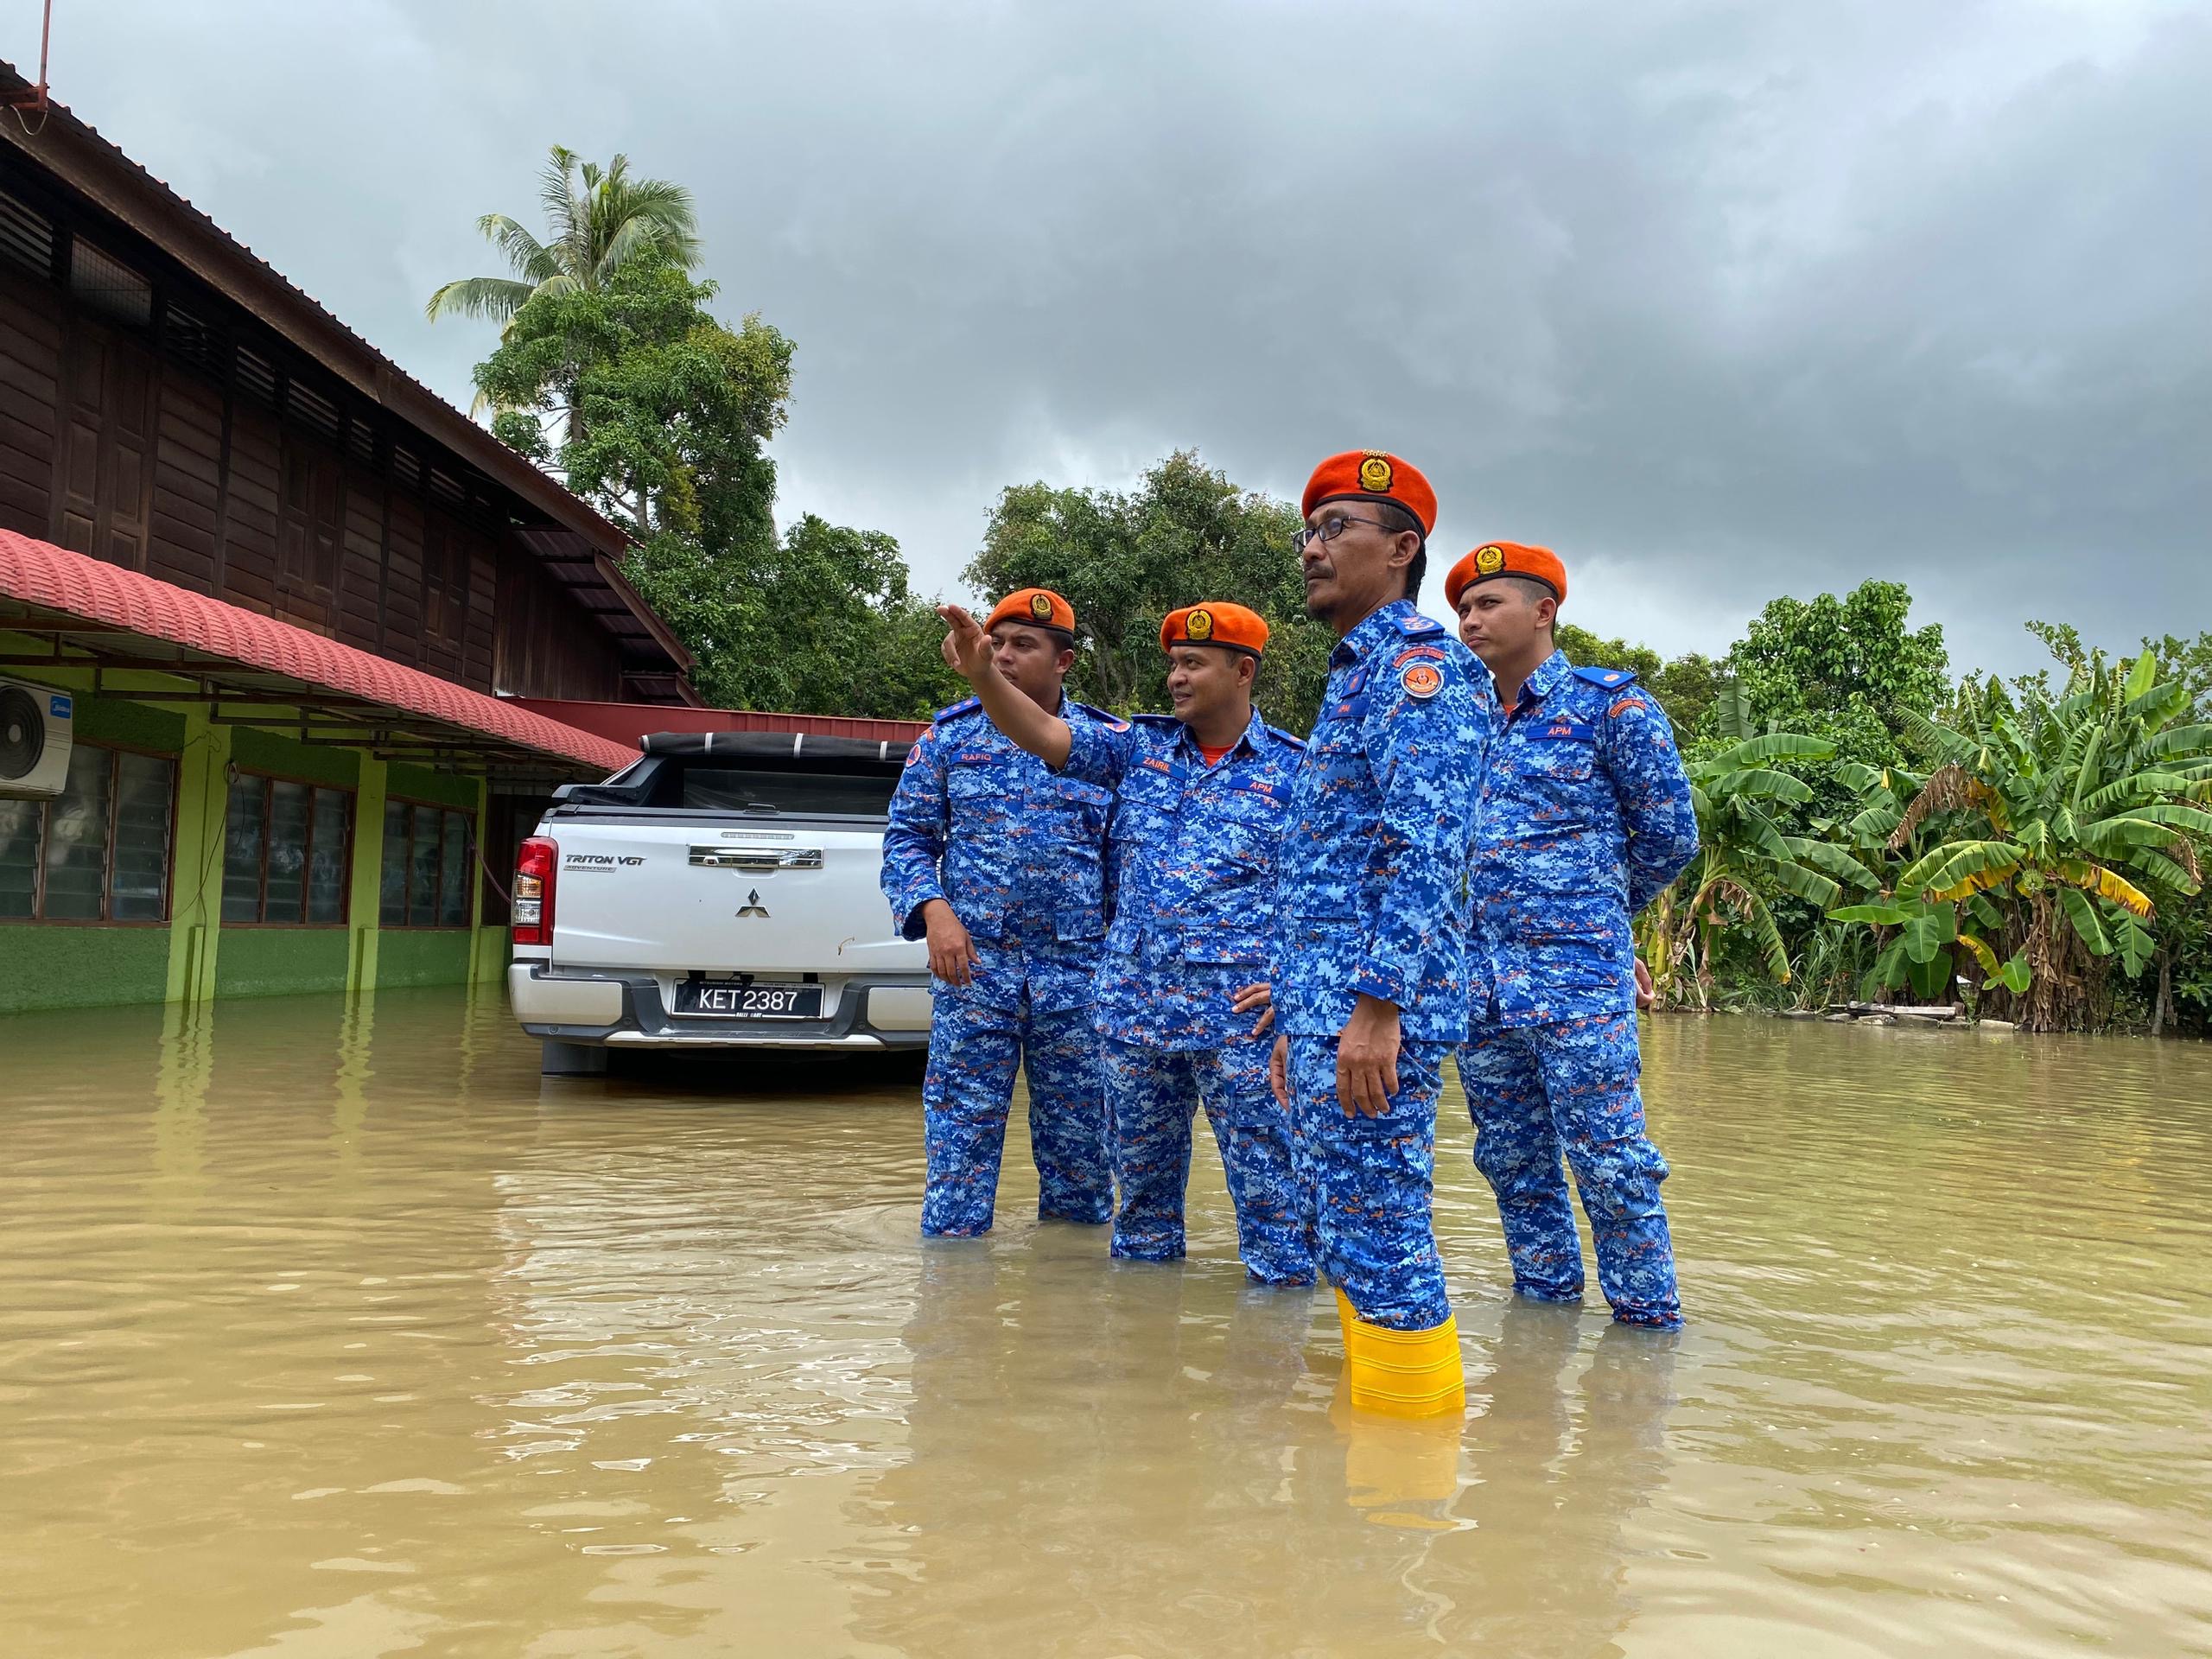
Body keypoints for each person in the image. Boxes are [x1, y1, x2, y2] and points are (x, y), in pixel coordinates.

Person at [934, 598, 1312, 1283]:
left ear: (1243, 671)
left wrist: (1299, 993)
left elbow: (1329, 895)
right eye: (1172, 663)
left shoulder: (1299, 773)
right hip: (1135, 1020)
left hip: (1243, 1023)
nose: (1176, 677)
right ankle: (1141, 1369)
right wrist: (984, 674)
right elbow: (1044, 735)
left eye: (1193, 663)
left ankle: (1277, 1372)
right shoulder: (1138, 750)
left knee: (1276, 1211)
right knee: (1138, 1221)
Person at [1267, 450, 1496, 1417]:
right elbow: (1332, 870)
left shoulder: (1422, 672)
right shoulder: (1354, 678)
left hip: (1369, 1021)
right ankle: (1350, 1514)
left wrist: (1374, 1008)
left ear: (1401, 549)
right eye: (1308, 532)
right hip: (1327, 1016)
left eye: (1337, 530)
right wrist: (1298, 1018)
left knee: (1382, 1241)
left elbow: (1426, 850)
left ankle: (1401, 1504)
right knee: (1341, 1233)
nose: (1312, 550)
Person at [1446, 542, 1700, 1328]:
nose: (1471, 619)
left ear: (1544, 612)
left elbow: (1670, 836)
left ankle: (1647, 1328)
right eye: (1464, 607)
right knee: (1512, 1162)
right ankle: (1544, 1319)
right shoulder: (1460, 722)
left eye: (1490, 604)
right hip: (1480, 984)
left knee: (1611, 1161)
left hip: (1575, 981)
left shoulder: (1611, 707)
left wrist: (1594, 921)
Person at [880, 588, 1119, 1237]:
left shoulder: (1106, 747)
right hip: (973, 968)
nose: (1003, 656)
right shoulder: (948, 740)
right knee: (959, 1150)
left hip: (1077, 975)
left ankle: (1075, 1307)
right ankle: (954, 1314)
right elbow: (906, 838)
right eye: (996, 643)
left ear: (1064, 661)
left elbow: (1130, 866)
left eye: (1023, 645)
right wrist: (934, 911)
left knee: (1083, 1160)